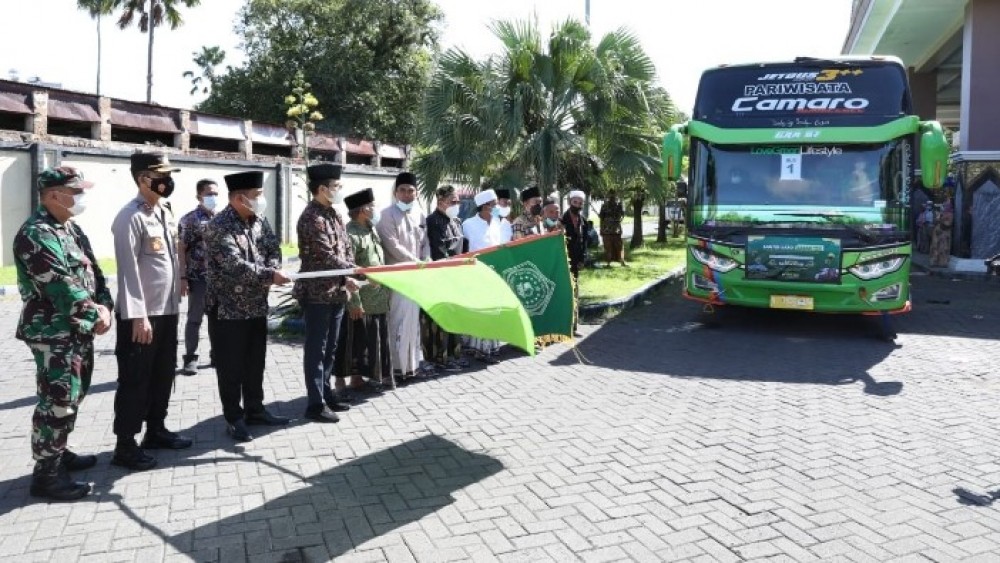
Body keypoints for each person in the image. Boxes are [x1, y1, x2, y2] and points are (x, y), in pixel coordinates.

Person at [14, 167, 113, 501]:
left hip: (76, 328)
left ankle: (58, 450)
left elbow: (94, 272)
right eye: (76, 191)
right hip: (52, 331)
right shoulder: (35, 234)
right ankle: (47, 476)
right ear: (54, 195)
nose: (81, 197)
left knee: (73, 394)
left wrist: (106, 305)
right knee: (57, 400)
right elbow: (59, 284)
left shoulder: (70, 228)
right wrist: (93, 313)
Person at [111, 152, 192, 471]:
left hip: (167, 310)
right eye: (162, 175)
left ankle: (155, 430)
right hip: (141, 316)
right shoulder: (130, 217)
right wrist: (138, 316)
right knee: (136, 379)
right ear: (144, 178)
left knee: (163, 374)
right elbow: (127, 270)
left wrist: (182, 278)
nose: (167, 181)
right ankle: (125, 445)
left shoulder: (164, 211)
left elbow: (172, 255)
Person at [204, 171, 291, 442]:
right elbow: (233, 266)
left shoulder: (258, 221)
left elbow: (272, 249)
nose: (261, 200)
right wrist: (269, 276)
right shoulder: (218, 227)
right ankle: (234, 417)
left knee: (255, 363)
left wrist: (274, 267)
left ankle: (255, 409)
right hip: (228, 310)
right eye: (257, 195)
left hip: (255, 305)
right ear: (240, 198)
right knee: (231, 367)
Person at [294, 163, 358, 423]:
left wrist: (349, 277)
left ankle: (327, 393)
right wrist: (356, 270)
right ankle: (315, 403)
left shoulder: (334, 214)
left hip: (336, 291)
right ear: (322, 188)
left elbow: (345, 248)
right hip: (318, 294)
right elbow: (326, 256)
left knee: (331, 347)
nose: (339, 189)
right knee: (316, 349)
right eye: (336, 186)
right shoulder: (311, 218)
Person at [376, 172, 435, 383]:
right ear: (395, 192)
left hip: (416, 277)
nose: (407, 194)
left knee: (412, 323)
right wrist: (415, 261)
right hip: (398, 277)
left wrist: (426, 258)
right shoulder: (386, 215)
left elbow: (425, 241)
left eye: (411, 191)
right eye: (403, 190)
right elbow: (392, 245)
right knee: (397, 322)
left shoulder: (419, 215)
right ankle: (395, 368)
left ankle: (411, 367)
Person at [343, 188, 394, 390]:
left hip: (379, 296)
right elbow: (349, 270)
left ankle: (375, 377)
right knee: (360, 341)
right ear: (363, 209)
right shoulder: (351, 234)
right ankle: (356, 378)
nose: (375, 209)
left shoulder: (371, 229)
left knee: (377, 339)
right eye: (372, 206)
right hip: (363, 299)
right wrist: (354, 301)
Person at [423, 185, 467, 372]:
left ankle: (455, 354)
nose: (456, 205)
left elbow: (463, 246)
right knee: (439, 322)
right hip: (440, 275)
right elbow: (439, 251)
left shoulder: (456, 221)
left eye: (458, 201)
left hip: (457, 275)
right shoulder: (433, 221)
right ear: (441, 202)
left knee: (455, 317)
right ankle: (439, 358)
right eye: (452, 201)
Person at [178, 179, 220, 375]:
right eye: (209, 194)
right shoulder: (190, 220)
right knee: (194, 319)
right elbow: (181, 249)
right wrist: (183, 277)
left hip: (219, 279)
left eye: (216, 194)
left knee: (217, 319)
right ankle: (190, 358)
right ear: (199, 196)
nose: (213, 198)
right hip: (198, 277)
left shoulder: (221, 218)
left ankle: (217, 355)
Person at [461, 189, 505, 364]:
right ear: (485, 206)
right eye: (495, 204)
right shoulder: (468, 224)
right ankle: (478, 348)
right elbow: (465, 250)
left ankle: (490, 347)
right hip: (475, 272)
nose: (497, 207)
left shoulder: (497, 222)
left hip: (495, 271)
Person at [562, 190, 587, 338]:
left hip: (576, 265)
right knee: (564, 294)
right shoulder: (561, 220)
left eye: (580, 203)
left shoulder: (583, 221)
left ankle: (573, 327)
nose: (577, 205)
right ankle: (562, 327)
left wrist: (583, 259)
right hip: (563, 262)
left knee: (575, 294)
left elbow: (584, 243)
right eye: (574, 202)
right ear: (569, 202)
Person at [598, 190, 626, 266]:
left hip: (616, 229)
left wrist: (621, 206)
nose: (612, 197)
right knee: (608, 247)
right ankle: (608, 263)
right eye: (611, 195)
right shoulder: (604, 206)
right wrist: (601, 229)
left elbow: (622, 216)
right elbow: (601, 218)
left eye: (613, 195)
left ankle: (622, 261)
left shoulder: (618, 205)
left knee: (619, 246)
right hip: (607, 229)